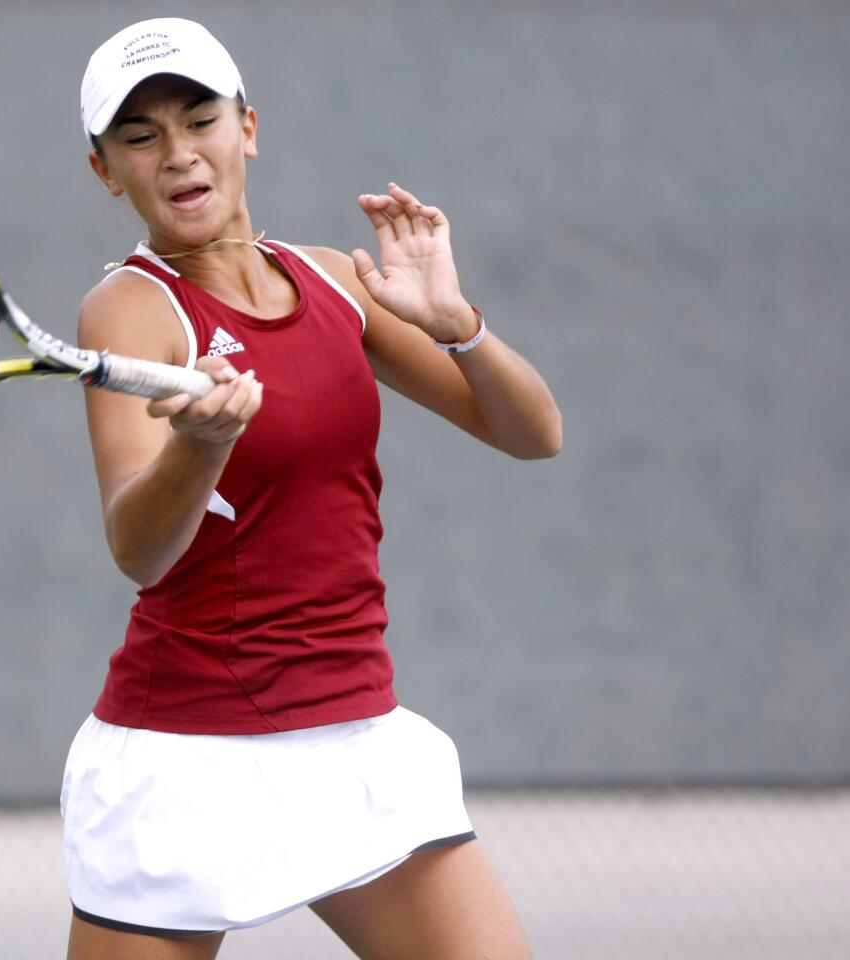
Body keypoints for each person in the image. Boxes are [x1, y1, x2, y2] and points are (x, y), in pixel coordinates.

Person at [62, 17, 561, 960]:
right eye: (139, 136)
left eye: (199, 119)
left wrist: (459, 327)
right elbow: (140, 549)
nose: (177, 154)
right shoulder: (129, 310)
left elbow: (532, 434)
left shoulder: (336, 281)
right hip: (186, 757)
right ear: (106, 172)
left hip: (352, 739)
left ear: (247, 127)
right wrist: (198, 448)